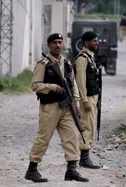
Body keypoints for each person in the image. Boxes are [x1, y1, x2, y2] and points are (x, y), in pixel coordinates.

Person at [25, 33, 88, 183]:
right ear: (49, 45)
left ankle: (71, 169)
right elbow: (35, 85)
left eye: (60, 42)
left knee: (71, 136)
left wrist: (77, 104)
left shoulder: (67, 64)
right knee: (44, 138)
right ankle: (32, 169)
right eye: (54, 43)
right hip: (50, 107)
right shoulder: (43, 65)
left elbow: (73, 86)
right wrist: (52, 87)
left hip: (66, 107)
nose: (58, 45)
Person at [74, 31, 101, 169]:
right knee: (87, 126)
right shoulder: (82, 58)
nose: (96, 43)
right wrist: (84, 101)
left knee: (92, 126)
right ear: (86, 43)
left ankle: (86, 156)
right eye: (94, 41)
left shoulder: (90, 57)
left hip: (93, 97)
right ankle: (84, 158)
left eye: (97, 41)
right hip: (87, 98)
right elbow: (80, 82)